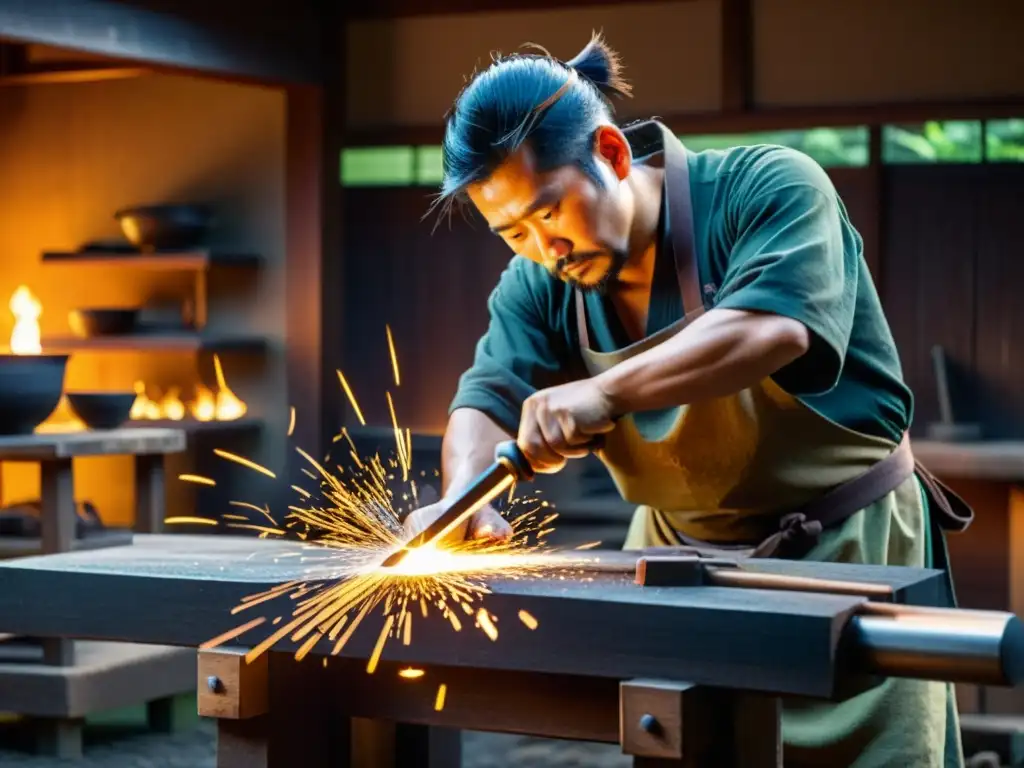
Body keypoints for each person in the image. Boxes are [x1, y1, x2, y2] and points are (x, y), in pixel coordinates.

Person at [403, 32, 974, 767]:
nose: (543, 248)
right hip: (677, 566)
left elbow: (774, 327)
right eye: (511, 232)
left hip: (848, 551)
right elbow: (485, 397)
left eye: (548, 213)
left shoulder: (767, 185)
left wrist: (604, 391)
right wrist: (465, 498)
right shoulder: (539, 282)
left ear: (609, 153)